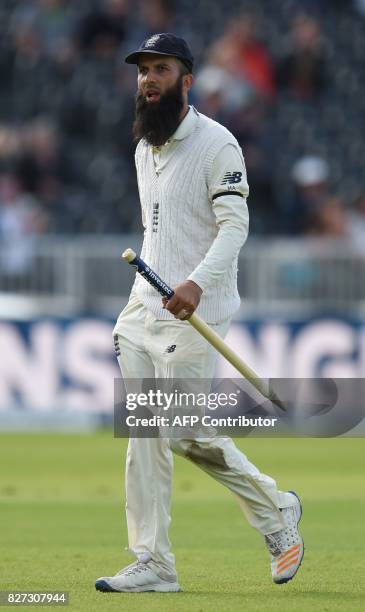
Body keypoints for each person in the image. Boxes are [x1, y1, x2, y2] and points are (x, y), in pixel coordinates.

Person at [95, 33, 304, 593]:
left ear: (186, 80)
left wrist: (194, 284)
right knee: (144, 434)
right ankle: (154, 563)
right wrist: (160, 286)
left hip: (197, 310)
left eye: (160, 69)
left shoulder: (218, 145)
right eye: (142, 71)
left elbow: (235, 227)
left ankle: (277, 509)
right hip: (144, 307)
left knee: (186, 433)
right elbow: (159, 232)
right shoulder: (145, 147)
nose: (148, 79)